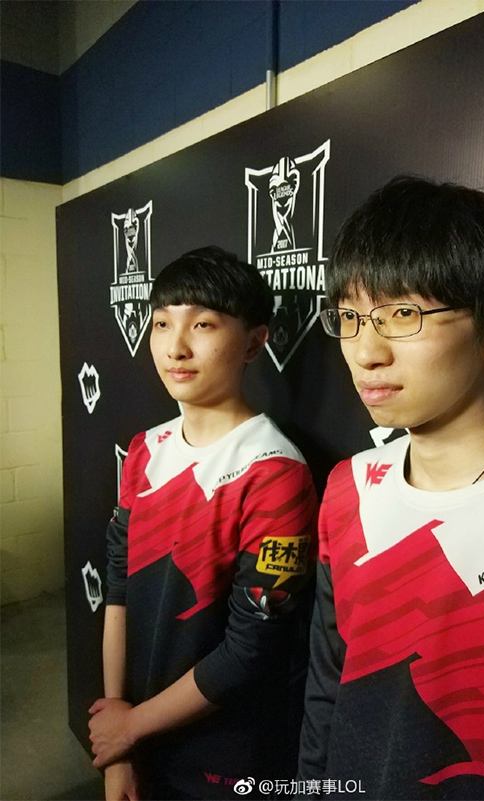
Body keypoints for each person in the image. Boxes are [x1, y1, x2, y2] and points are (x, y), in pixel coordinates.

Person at [298, 177, 484, 800]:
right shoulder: (349, 489)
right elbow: (328, 694)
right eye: (351, 317)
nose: (366, 351)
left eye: (403, 315)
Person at [89, 246, 317, 801]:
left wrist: (129, 728)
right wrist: (119, 726)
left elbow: (250, 650)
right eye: (162, 323)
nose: (176, 346)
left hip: (225, 753)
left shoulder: (273, 472)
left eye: (203, 324)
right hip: (136, 731)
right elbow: (118, 587)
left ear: (254, 342)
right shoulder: (146, 449)